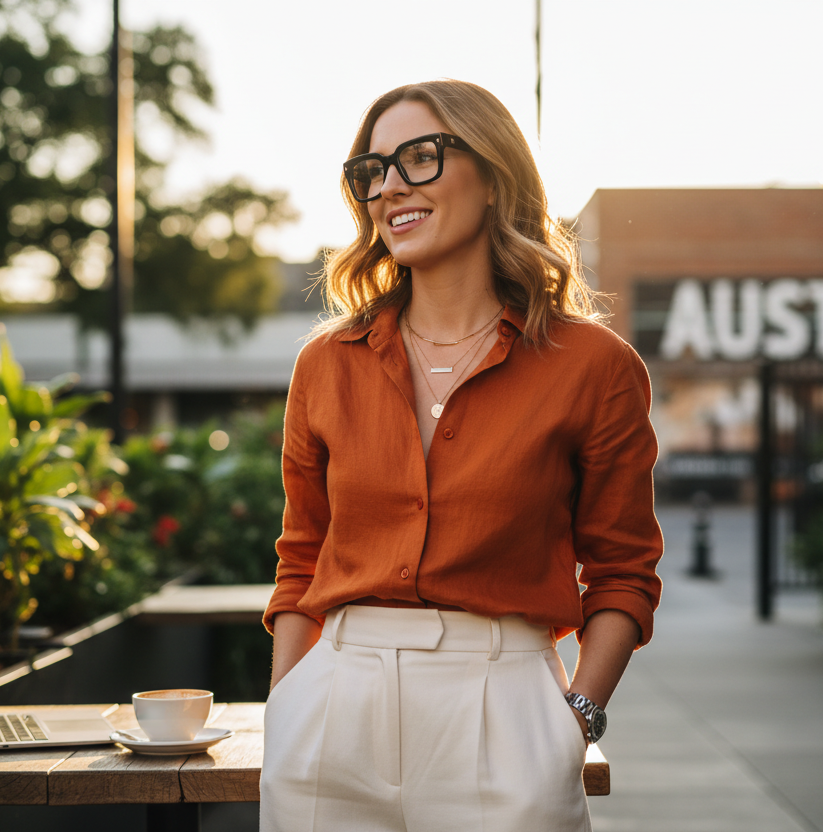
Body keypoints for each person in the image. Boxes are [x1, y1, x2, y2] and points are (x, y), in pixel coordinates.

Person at [259, 79, 663, 832]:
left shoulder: (593, 365)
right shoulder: (325, 363)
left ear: (493, 175)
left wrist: (574, 718)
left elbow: (624, 570)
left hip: (504, 710)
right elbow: (302, 557)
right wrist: (287, 708)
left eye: (419, 157)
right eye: (372, 171)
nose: (389, 188)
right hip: (332, 709)